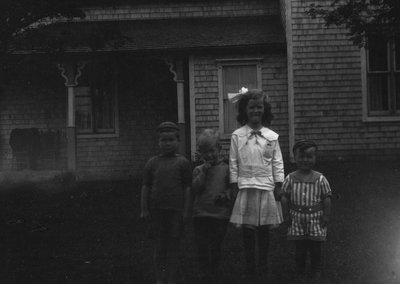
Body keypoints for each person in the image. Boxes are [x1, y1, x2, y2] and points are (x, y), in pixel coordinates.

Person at [229, 88, 284, 279]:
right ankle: (250, 264)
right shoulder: (237, 135)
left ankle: (263, 263)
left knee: (264, 229)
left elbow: (277, 162)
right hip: (246, 187)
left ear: (264, 110)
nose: (255, 111)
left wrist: (278, 183)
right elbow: (234, 161)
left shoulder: (272, 136)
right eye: (251, 107)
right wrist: (234, 183)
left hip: (265, 187)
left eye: (259, 107)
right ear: (245, 110)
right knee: (248, 228)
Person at [140, 121, 192, 284]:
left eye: (171, 140)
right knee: (160, 245)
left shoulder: (183, 163)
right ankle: (159, 279)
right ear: (158, 142)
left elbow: (187, 189)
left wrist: (185, 210)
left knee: (173, 246)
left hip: (175, 211)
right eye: (163, 140)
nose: (167, 143)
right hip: (157, 211)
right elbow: (146, 187)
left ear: (178, 141)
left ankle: (171, 278)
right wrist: (144, 209)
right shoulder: (152, 163)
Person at [281, 140, 332, 283]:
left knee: (316, 248)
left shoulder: (320, 179)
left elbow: (327, 198)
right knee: (300, 248)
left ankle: (315, 269)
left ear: (315, 158)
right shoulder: (290, 178)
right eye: (301, 156)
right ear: (295, 158)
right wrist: (286, 215)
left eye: (309, 157)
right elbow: (284, 198)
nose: (305, 160)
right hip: (296, 219)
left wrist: (326, 216)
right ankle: (300, 269)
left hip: (316, 219)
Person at [192, 129, 231, 282]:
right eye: (205, 152)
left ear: (219, 149)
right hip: (201, 214)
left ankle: (214, 270)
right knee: (202, 245)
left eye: (212, 151)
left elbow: (230, 187)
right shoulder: (198, 169)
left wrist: (225, 195)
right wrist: (203, 173)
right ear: (201, 153)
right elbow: (196, 188)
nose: (209, 155)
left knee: (216, 245)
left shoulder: (226, 169)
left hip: (219, 214)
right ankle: (204, 271)